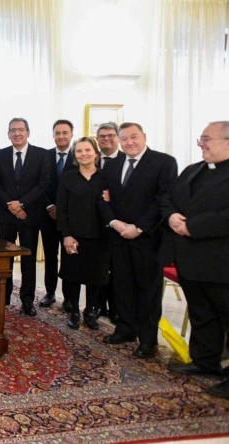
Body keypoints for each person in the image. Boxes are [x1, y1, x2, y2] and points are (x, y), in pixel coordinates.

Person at [161, 121, 229, 399]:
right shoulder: (193, 170)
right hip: (190, 259)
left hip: (221, 260)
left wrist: (193, 226)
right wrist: (171, 216)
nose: (201, 144)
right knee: (202, 313)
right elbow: (168, 198)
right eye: (201, 138)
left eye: (206, 139)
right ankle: (204, 361)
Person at [99, 122, 178, 359]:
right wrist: (115, 223)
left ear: (144, 136)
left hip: (147, 238)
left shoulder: (164, 162)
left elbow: (163, 200)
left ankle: (148, 340)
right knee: (122, 286)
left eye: (134, 137)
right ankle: (125, 329)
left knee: (147, 290)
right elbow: (103, 199)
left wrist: (139, 227)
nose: (129, 142)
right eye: (124, 139)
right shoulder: (112, 166)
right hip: (118, 235)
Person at [0, 118, 51, 316]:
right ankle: (4, 297)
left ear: (28, 132)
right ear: (8, 134)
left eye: (20, 130)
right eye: (13, 130)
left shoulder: (41, 155)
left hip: (30, 215)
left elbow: (43, 184)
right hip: (6, 216)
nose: (17, 133)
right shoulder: (0, 155)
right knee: (5, 259)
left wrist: (22, 204)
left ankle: (27, 300)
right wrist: (13, 206)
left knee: (28, 259)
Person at [57, 137, 109, 330]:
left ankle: (90, 311)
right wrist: (67, 235)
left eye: (87, 150)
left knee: (95, 277)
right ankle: (74, 312)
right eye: (79, 151)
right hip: (74, 235)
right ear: (74, 155)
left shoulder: (105, 177)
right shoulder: (68, 177)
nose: (84, 154)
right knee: (73, 276)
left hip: (100, 236)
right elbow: (61, 208)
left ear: (95, 153)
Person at [39, 119, 76, 309]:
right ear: (53, 135)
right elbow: (40, 184)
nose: (61, 136)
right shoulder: (44, 156)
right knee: (50, 255)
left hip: (70, 217)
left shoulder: (79, 156)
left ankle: (69, 298)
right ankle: (50, 292)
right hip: (48, 216)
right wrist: (50, 206)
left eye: (65, 133)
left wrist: (63, 210)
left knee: (69, 257)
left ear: (71, 134)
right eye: (57, 133)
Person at [95, 122, 124, 322]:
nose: (106, 139)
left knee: (116, 268)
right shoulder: (92, 159)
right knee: (98, 267)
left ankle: (115, 309)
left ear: (117, 137)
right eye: (102, 136)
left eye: (110, 135)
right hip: (94, 223)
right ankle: (97, 306)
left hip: (118, 223)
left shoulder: (126, 160)